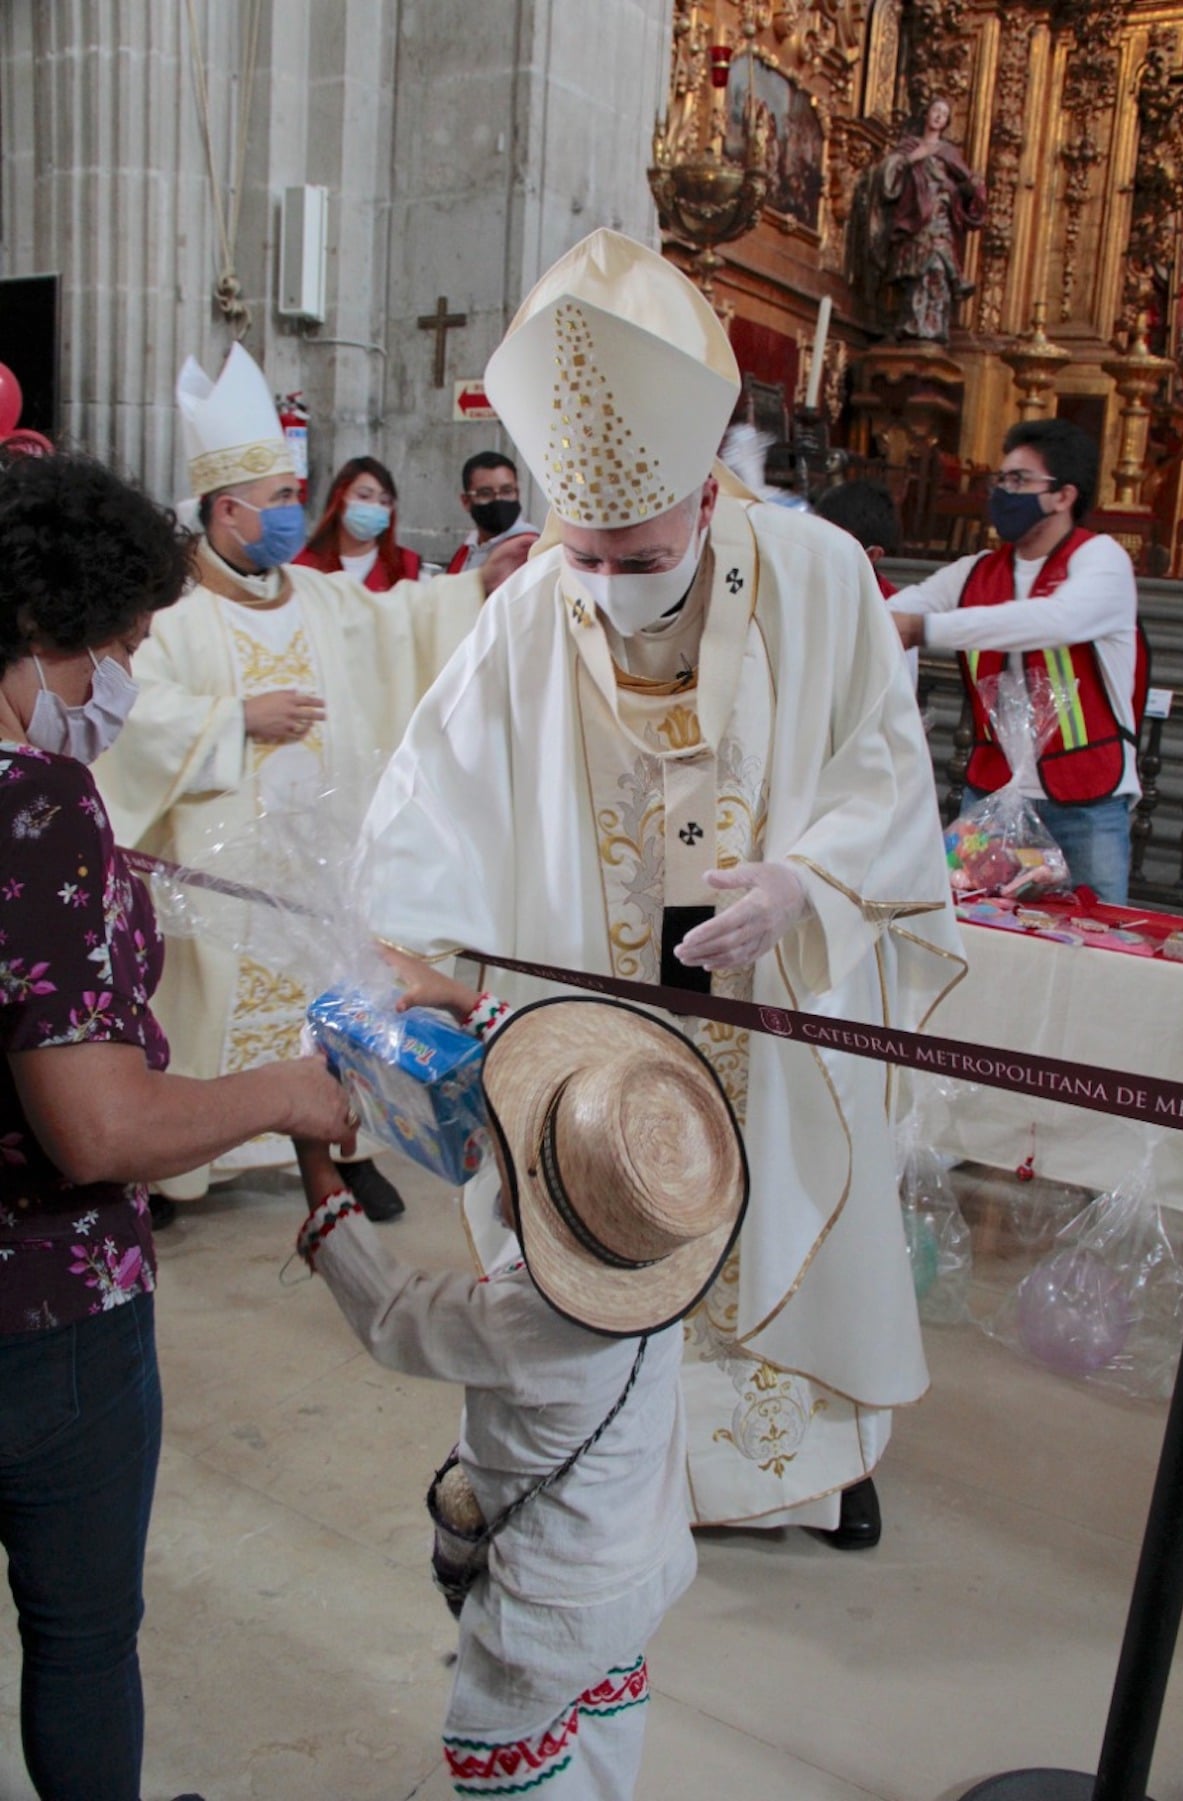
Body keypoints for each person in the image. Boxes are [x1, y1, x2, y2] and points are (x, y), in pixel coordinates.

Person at [359, 229, 965, 1550]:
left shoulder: (820, 577)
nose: (606, 589)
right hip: (600, 993)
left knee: (784, 1189)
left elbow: (884, 765)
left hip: (770, 982)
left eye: (637, 560)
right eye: (583, 556)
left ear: (705, 495)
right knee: (588, 1206)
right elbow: (434, 785)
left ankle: (797, 1462)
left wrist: (808, 882)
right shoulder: (533, 607)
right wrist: (415, 952)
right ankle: (595, 1452)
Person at [0, 449, 354, 1801]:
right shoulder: (37, 801)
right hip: (43, 1307)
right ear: (43, 634)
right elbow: (95, 1125)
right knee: (84, 1632)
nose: (120, 697)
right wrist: (287, 1090)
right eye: (117, 656)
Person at [294, 951, 748, 1799]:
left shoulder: (524, 1322)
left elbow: (395, 1315)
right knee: (604, 1716)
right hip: (641, 1561)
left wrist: (316, 1162)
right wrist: (463, 998)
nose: (505, 1162)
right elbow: (563, 1115)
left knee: (510, 1753)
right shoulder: (654, 1252)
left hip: (552, 1601)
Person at [94, 344, 528, 1221]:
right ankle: (185, 1159)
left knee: (333, 989)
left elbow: (400, 628)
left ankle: (339, 1142)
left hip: (316, 863)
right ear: (227, 510)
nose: (298, 512)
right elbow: (125, 708)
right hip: (220, 875)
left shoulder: (319, 595)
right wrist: (232, 720)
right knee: (212, 998)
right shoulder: (170, 610)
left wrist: (477, 586)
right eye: (284, 499)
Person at [889, 418, 1142, 903]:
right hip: (991, 792)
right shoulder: (974, 572)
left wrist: (928, 631)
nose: (1004, 492)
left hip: (1086, 796)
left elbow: (1056, 620)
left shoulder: (1101, 560)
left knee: (1096, 937)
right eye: (1000, 480)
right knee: (968, 925)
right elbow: (893, 615)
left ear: (1063, 496)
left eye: (1019, 481)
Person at [866, 96, 986, 343]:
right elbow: (886, 177)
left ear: (946, 123)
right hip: (914, 217)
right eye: (936, 110)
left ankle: (933, 328)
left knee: (937, 267)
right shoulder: (910, 146)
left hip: (941, 218)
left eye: (944, 113)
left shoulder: (949, 152)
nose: (939, 116)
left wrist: (967, 188)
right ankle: (911, 325)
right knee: (916, 269)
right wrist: (911, 160)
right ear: (927, 114)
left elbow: (966, 185)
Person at [815, 480, 919, 687]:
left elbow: (898, 699)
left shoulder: (894, 614)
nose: (819, 554)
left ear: (872, 555)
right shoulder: (795, 586)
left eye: (834, 547)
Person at [294, 454, 423, 587]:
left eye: (384, 501)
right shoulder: (304, 566)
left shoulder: (407, 566)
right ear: (339, 497)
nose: (375, 506)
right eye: (364, 496)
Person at [447, 450, 538, 573]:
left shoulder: (530, 550)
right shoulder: (466, 551)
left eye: (507, 491)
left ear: (518, 493)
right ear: (466, 501)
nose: (498, 499)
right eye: (485, 493)